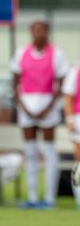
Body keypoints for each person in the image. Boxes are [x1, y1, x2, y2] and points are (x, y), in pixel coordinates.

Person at [11, 21, 68, 209]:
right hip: (27, 104)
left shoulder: (56, 54)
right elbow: (16, 82)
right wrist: (23, 106)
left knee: (49, 151)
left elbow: (61, 85)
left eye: (42, 30)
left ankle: (50, 198)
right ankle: (33, 196)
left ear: (48, 32)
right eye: (35, 30)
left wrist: (49, 107)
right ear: (30, 32)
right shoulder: (21, 52)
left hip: (47, 105)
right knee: (30, 151)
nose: (38, 34)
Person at [62, 62, 80, 209]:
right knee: (79, 163)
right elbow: (68, 98)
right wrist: (69, 119)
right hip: (78, 119)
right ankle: (79, 198)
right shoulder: (75, 72)